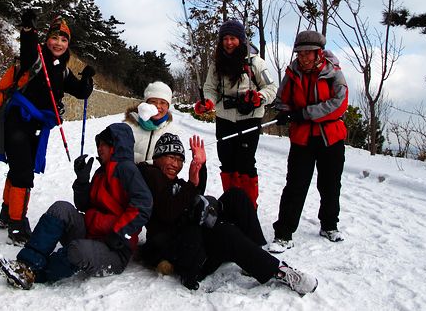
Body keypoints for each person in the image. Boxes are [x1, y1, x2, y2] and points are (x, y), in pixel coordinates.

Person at [138, 133, 317, 296]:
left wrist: (201, 166)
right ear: (157, 157)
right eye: (171, 157)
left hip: (193, 238)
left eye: (179, 160)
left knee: (236, 195)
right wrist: (192, 185)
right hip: (185, 253)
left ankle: (254, 253)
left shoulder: (174, 182)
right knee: (225, 231)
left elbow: (194, 195)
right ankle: (278, 271)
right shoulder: (151, 176)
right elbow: (168, 213)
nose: (175, 164)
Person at [0, 123, 152, 289]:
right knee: (61, 208)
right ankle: (26, 263)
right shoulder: (101, 172)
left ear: (115, 145)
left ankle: (35, 273)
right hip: (91, 232)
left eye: (103, 144)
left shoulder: (127, 170)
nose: (99, 149)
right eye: (98, 145)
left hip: (114, 248)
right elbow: (84, 205)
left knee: (76, 251)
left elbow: (143, 204)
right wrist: (82, 181)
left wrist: (119, 233)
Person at [0, 12, 95, 245]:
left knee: (19, 170)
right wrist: (28, 29)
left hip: (37, 127)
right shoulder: (35, 58)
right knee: (24, 173)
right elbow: (27, 48)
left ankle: (6, 214)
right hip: (17, 121)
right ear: (47, 39)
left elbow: (81, 92)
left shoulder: (63, 69)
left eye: (64, 39)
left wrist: (87, 78)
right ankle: (17, 225)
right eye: (55, 38)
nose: (58, 43)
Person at [268, 30, 348, 253]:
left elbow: (339, 104)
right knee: (295, 185)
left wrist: (306, 113)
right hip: (302, 139)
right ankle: (283, 233)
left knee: (330, 183)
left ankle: (329, 225)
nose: (303, 58)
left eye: (307, 53)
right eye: (299, 53)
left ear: (318, 53)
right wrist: (284, 111)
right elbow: (282, 99)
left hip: (330, 137)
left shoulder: (333, 73)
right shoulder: (292, 73)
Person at [194, 19, 277, 208]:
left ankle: (248, 207)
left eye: (233, 38)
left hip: (249, 119)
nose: (228, 42)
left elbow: (271, 87)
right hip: (224, 119)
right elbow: (210, 88)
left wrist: (259, 97)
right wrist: (208, 101)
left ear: (241, 40)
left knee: (245, 164)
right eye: (225, 38)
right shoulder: (217, 65)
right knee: (227, 162)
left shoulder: (256, 63)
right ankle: (231, 203)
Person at [124, 80, 175, 163]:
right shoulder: (128, 126)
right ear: (146, 103)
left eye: (163, 103)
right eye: (153, 102)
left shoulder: (172, 132)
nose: (158, 106)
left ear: (168, 106)